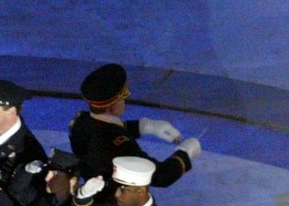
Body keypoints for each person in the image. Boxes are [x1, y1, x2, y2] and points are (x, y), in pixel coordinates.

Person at [69, 62, 201, 186]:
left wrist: (145, 126)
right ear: (113, 107)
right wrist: (184, 154)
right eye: (123, 96)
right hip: (115, 204)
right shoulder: (122, 148)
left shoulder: (80, 122)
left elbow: (107, 131)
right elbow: (160, 176)